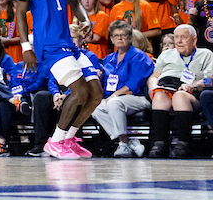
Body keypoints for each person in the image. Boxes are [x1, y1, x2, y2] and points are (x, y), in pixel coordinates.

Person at [15, 0, 102, 159]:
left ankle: (69, 138)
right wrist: (26, 46)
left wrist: (85, 19)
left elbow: (74, 2)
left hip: (69, 43)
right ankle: (54, 142)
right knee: (80, 90)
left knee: (95, 93)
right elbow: (20, 14)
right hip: (48, 45)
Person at [145, 23, 213, 158]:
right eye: (176, 37)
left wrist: (194, 84)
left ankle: (183, 144)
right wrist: (152, 85)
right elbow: (155, 75)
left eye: (183, 37)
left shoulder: (206, 54)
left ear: (194, 39)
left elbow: (210, 79)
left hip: (192, 92)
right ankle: (160, 143)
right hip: (167, 86)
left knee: (179, 96)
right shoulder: (166, 54)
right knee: (159, 95)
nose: (178, 41)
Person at [91, 20, 155, 158]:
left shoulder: (140, 57)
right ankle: (128, 142)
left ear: (131, 37)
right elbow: (105, 84)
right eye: (116, 35)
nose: (120, 38)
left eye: (123, 35)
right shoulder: (109, 59)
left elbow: (134, 84)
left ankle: (122, 144)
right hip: (113, 98)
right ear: (112, 39)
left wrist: (114, 96)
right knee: (95, 108)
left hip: (137, 98)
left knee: (114, 103)